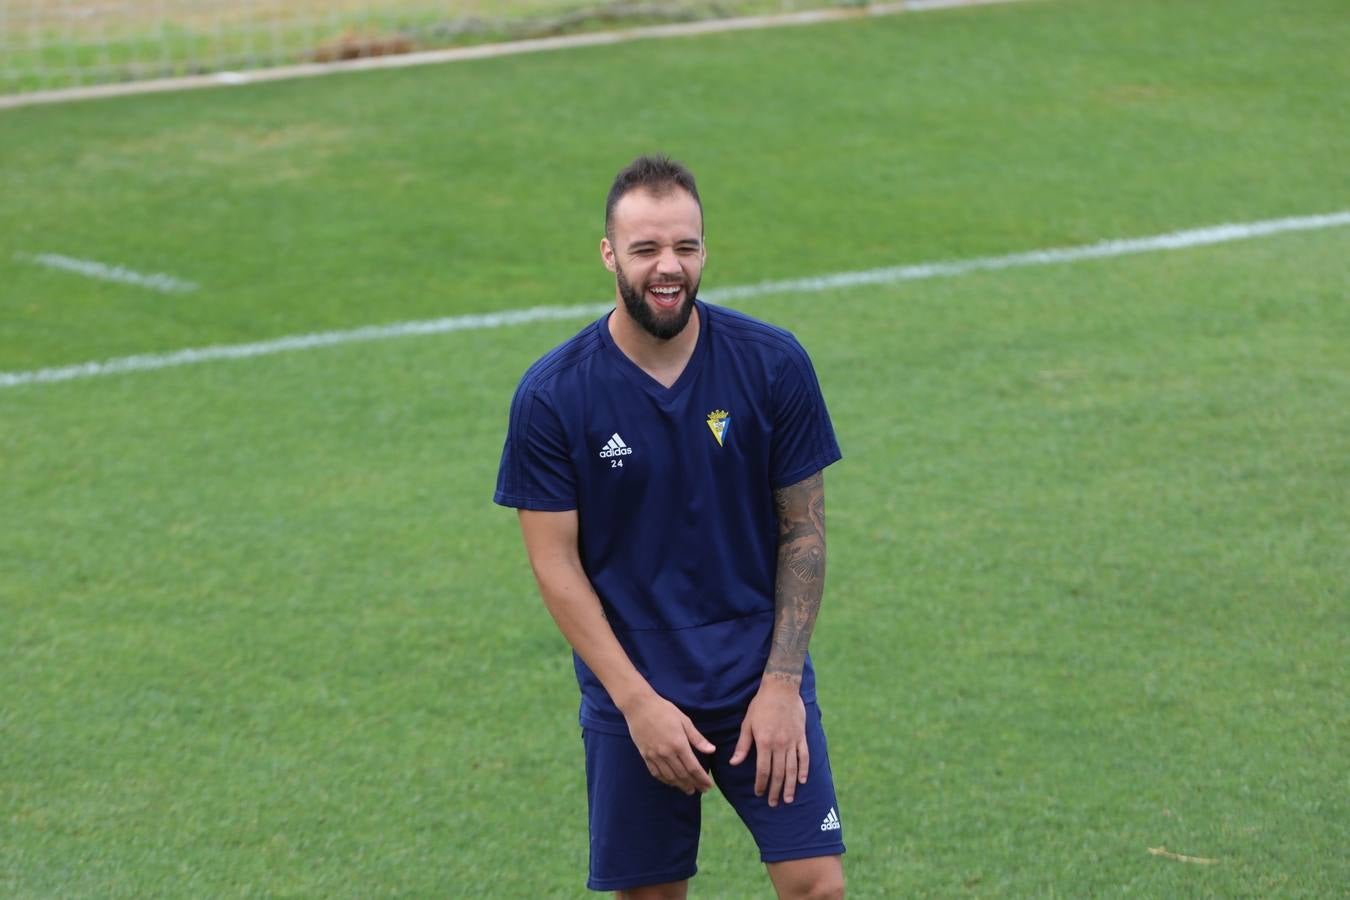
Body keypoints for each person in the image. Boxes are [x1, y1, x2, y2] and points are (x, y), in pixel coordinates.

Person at [494, 154, 846, 899]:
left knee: (818, 886)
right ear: (609, 255)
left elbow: (804, 534)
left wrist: (783, 683)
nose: (668, 267)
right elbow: (555, 566)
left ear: (704, 252)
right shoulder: (555, 397)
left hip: (759, 679)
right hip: (637, 689)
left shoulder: (773, 364)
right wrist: (636, 703)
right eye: (647, 248)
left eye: (685, 247)